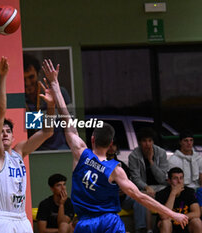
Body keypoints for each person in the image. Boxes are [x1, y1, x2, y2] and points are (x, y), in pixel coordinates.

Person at [42, 58, 188, 233]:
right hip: (109, 222)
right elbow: (141, 197)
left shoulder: (80, 153)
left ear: (93, 139)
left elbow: (66, 117)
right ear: (111, 143)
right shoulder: (115, 170)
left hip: (86, 223)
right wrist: (173, 214)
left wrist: (55, 84)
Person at [0, 57, 54, 233]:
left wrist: (51, 106)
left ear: (13, 135)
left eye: (8, 131)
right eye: (1, 131)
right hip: (3, 219)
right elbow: (0, 112)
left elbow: (48, 132)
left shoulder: (19, 152)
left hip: (22, 219)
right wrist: (2, 77)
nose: (5, 133)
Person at [23, 53, 71, 150]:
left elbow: (71, 127)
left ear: (38, 74)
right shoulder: (21, 101)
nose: (27, 83)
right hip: (37, 154)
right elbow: (34, 131)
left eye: (31, 77)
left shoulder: (59, 93)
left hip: (61, 150)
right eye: (24, 79)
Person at [129, 127, 169, 233]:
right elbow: (135, 178)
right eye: (144, 141)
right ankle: (148, 230)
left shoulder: (161, 153)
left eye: (150, 141)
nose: (147, 144)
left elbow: (161, 178)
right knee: (143, 197)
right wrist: (147, 187)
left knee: (168, 192)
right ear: (139, 142)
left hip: (161, 186)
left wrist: (151, 162)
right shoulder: (133, 156)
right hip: (144, 188)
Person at [107, 138, 149, 233]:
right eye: (108, 145)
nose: (111, 148)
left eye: (113, 145)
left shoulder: (121, 165)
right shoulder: (98, 164)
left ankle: (141, 229)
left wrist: (126, 190)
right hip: (107, 201)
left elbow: (129, 183)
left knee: (139, 199)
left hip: (123, 199)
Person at [155, 167, 202, 233]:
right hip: (169, 225)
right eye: (175, 178)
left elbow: (197, 213)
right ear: (169, 180)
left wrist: (178, 217)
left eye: (181, 178)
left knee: (197, 221)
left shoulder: (189, 192)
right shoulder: (161, 194)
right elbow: (164, 216)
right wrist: (173, 193)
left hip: (184, 223)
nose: (179, 181)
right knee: (165, 222)